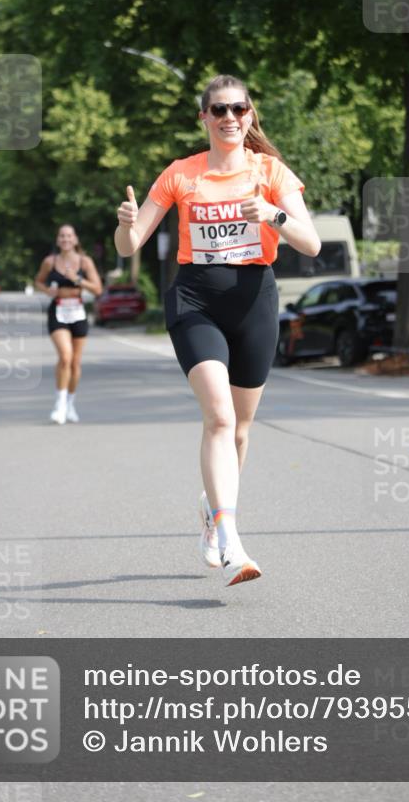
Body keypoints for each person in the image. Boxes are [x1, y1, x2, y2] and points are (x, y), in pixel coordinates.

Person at [114, 74, 321, 586]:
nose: (230, 118)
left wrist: (272, 214)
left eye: (239, 109)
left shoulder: (270, 172)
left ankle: (212, 511)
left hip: (254, 302)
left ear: (250, 115)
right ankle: (231, 539)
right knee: (220, 418)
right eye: (219, 110)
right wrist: (124, 223)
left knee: (242, 430)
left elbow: (311, 243)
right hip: (195, 301)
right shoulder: (182, 174)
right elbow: (129, 245)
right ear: (203, 118)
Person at [34, 225, 102, 425]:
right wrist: (47, 291)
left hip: (78, 312)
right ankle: (60, 405)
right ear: (58, 240)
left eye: (69, 236)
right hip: (58, 311)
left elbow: (98, 289)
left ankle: (71, 403)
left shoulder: (85, 261)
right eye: (62, 236)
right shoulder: (50, 262)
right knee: (65, 357)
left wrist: (78, 279)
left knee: (75, 363)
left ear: (75, 239)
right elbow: (38, 281)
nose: (65, 239)